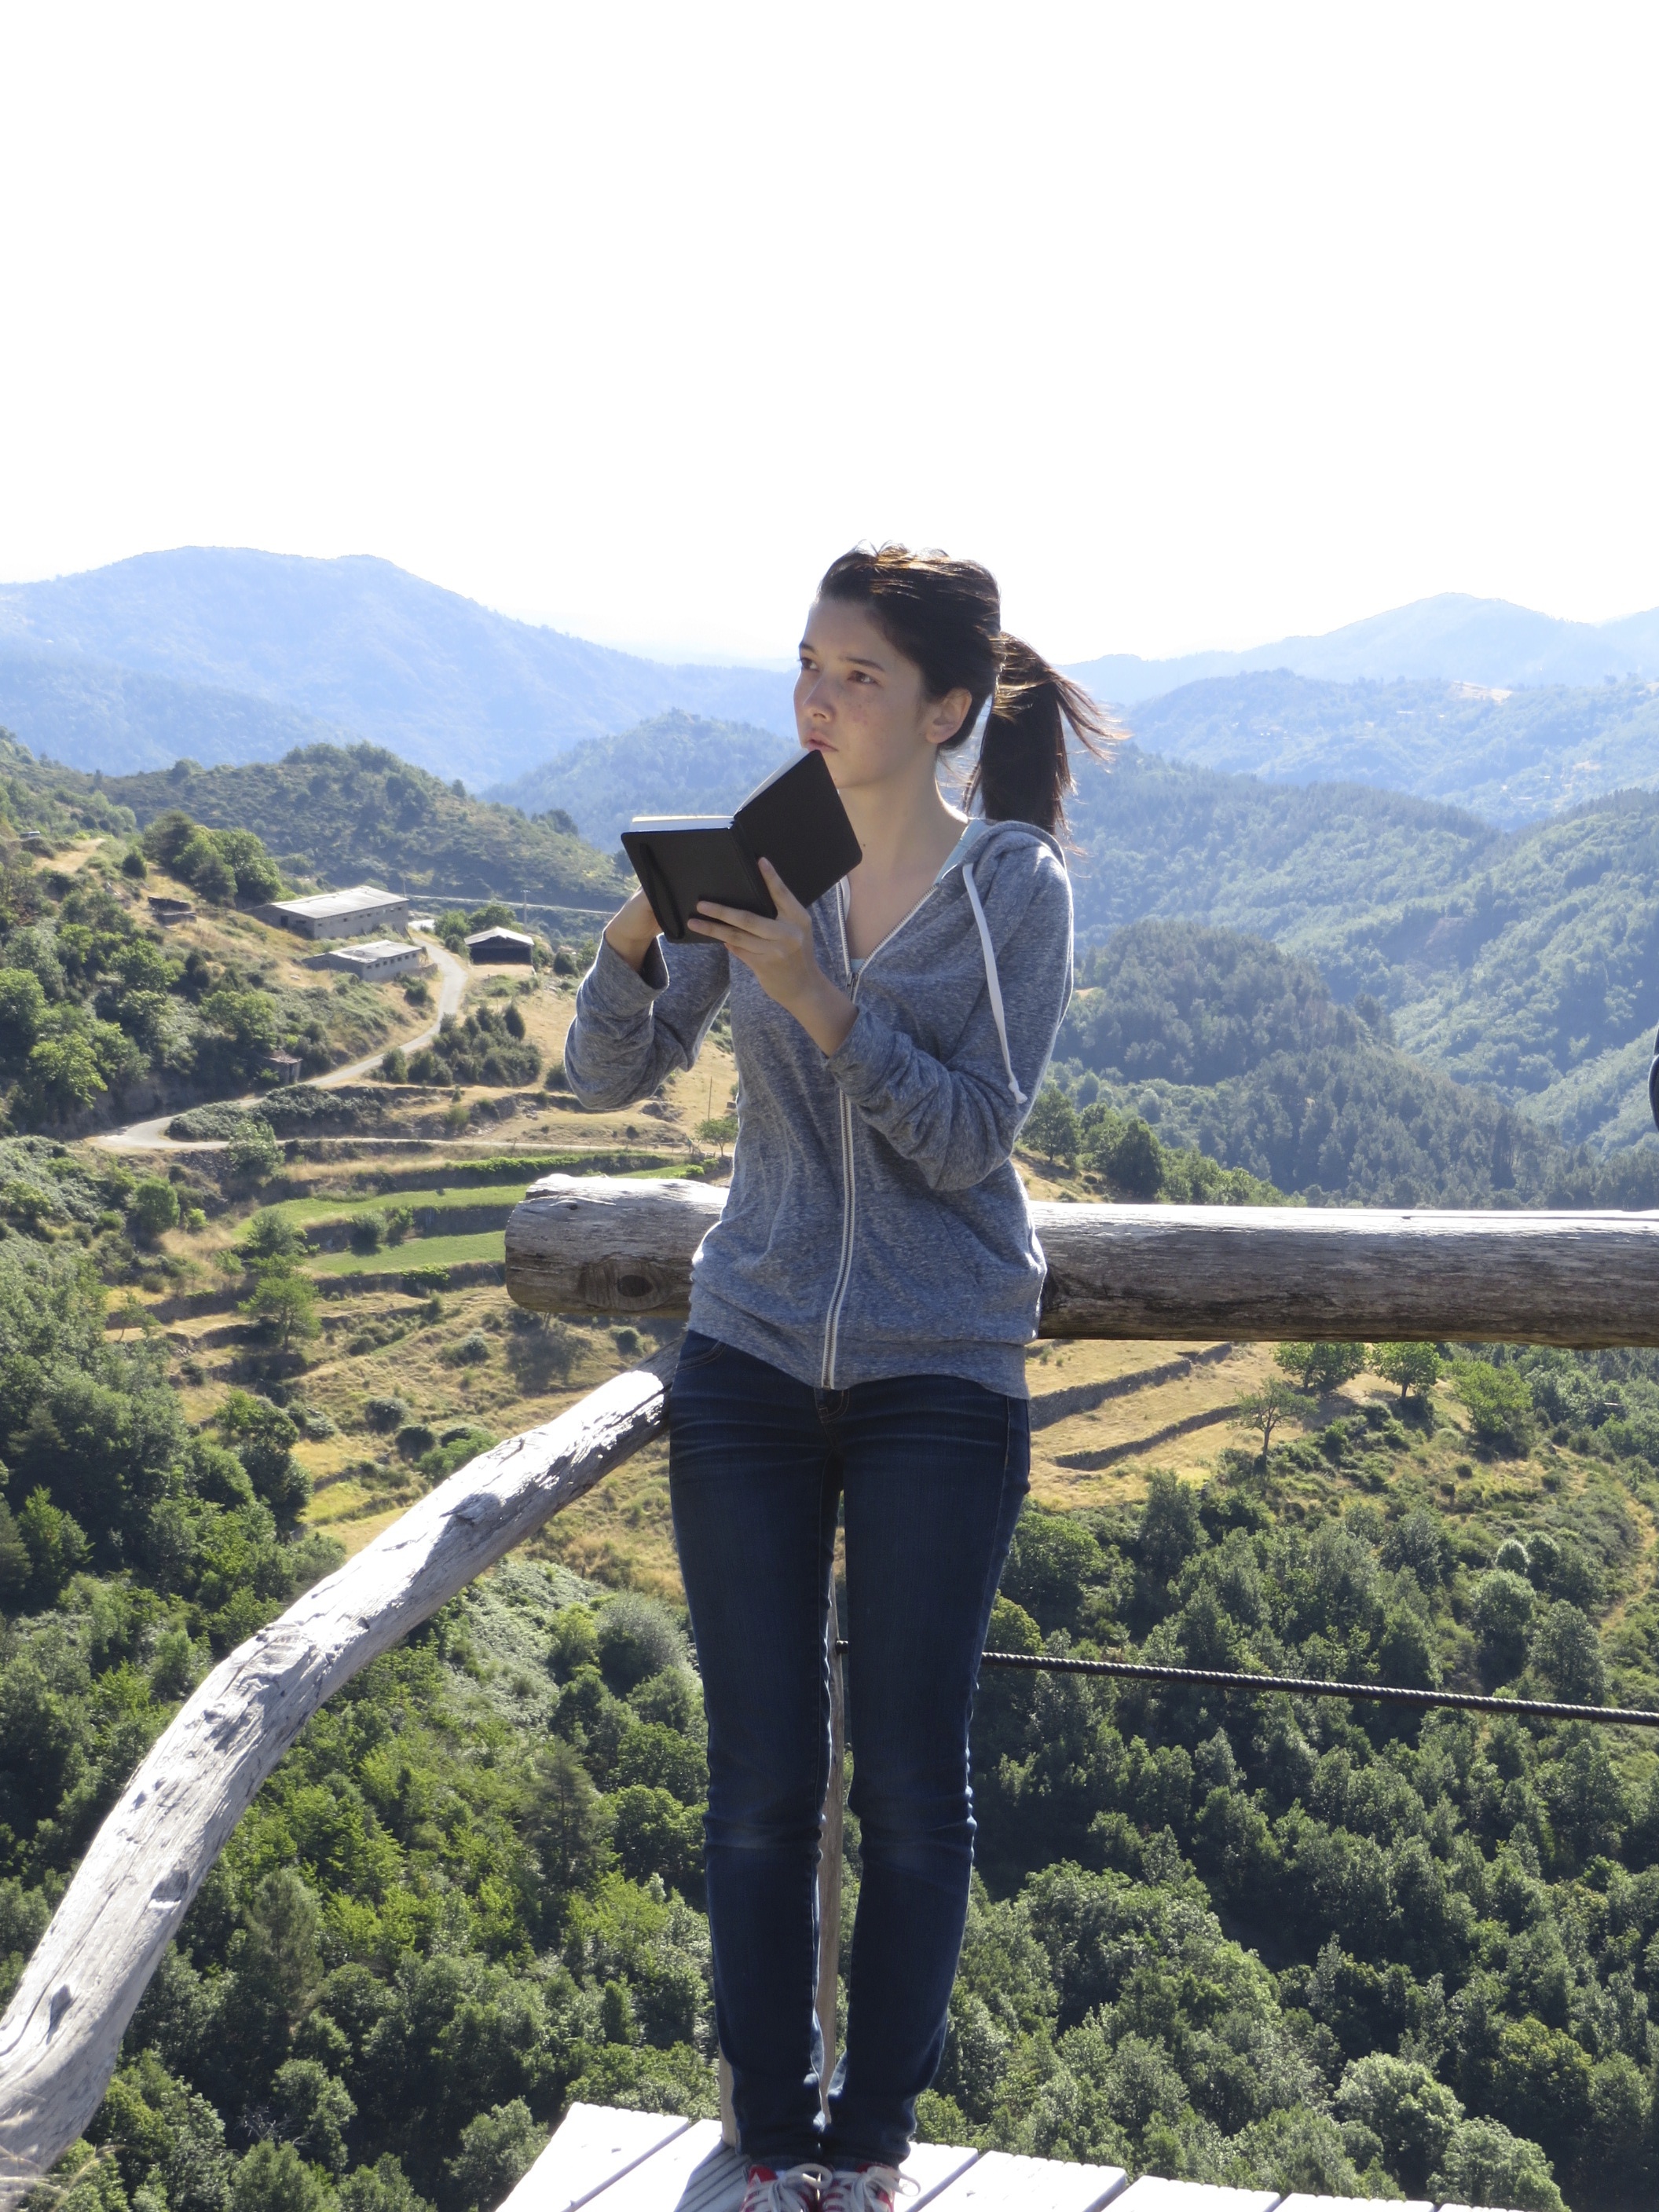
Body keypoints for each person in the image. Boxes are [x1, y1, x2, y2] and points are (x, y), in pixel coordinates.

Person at [563, 544, 1110, 2212]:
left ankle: (870, 2147)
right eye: (806, 662)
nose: (815, 695)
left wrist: (817, 994)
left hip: (940, 1364)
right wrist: (640, 931)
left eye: (855, 674)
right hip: (747, 1350)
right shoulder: (772, 852)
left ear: (948, 708)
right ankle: (769, 2138)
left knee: (909, 1783)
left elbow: (963, 1139)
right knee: (758, 1781)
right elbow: (600, 1078)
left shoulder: (1012, 886)